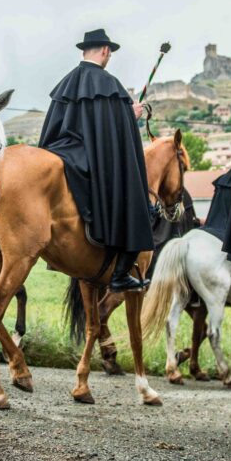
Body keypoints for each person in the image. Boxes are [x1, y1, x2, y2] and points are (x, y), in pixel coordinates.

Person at [39, 28, 152, 292]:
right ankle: (120, 274)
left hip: (63, 153)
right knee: (133, 198)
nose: (109, 56)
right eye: (109, 53)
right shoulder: (107, 84)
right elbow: (112, 137)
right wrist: (131, 115)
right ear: (105, 50)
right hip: (94, 158)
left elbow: (54, 128)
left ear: (84, 51)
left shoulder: (67, 82)